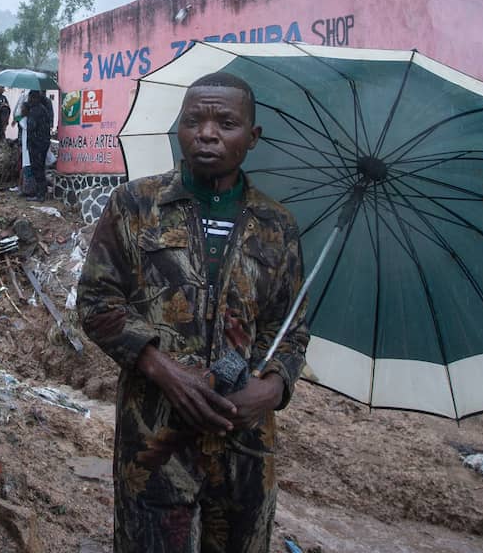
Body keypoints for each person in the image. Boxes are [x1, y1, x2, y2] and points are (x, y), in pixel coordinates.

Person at [77, 71, 309, 553]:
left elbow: (290, 331)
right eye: (193, 120)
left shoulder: (277, 227)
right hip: (155, 440)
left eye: (225, 122)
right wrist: (164, 370)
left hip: (245, 448)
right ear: (178, 129)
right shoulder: (135, 206)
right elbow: (98, 303)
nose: (207, 133)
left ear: (252, 137)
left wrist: (268, 391)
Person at [16, 90, 53, 201]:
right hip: (42, 143)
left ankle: (40, 194)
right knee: (39, 168)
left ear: (35, 98)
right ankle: (41, 192)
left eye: (31, 98)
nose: (29, 100)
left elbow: (31, 127)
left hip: (37, 144)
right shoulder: (42, 109)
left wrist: (25, 115)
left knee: (37, 169)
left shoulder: (35, 111)